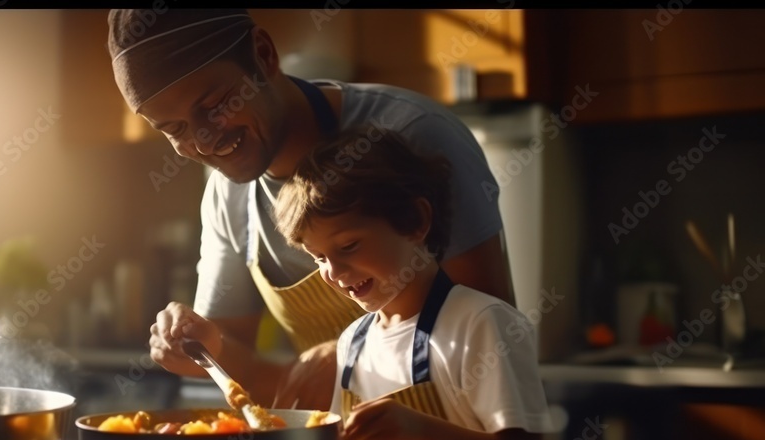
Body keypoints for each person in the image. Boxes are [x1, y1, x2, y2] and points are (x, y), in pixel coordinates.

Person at [107, 9, 515, 409]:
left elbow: (494, 337)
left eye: (215, 104)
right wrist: (199, 346)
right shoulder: (226, 197)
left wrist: (353, 355)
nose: (204, 140)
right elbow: (241, 366)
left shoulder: (416, 134)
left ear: (263, 55)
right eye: (174, 129)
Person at [272, 127, 554, 440]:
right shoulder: (353, 342)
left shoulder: (481, 323)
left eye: (349, 246)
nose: (334, 272)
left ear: (416, 221)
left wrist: (422, 432)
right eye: (319, 258)